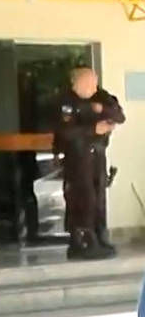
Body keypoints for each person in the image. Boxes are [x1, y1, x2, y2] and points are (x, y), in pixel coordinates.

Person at [54, 67, 124, 260]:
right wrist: (94, 128)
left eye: (94, 82)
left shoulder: (101, 96)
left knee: (98, 196)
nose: (93, 87)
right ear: (77, 83)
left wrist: (103, 110)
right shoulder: (66, 102)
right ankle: (82, 240)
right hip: (77, 156)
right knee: (82, 198)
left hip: (98, 155)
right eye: (88, 83)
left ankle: (99, 236)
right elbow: (66, 132)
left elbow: (119, 115)